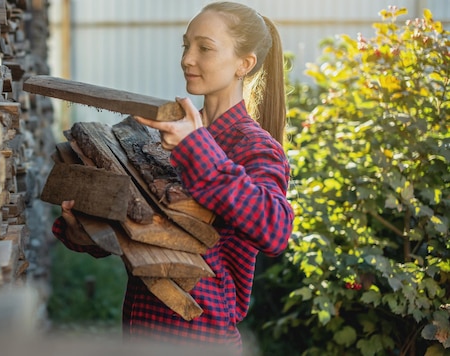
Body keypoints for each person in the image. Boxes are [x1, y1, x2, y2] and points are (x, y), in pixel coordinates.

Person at [52, 1, 294, 353]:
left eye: (205, 48)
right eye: (186, 45)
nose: (187, 59)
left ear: (245, 64)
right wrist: (83, 231)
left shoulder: (253, 146)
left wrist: (196, 146)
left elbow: (275, 229)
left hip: (200, 339)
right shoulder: (167, 135)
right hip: (141, 331)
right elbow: (142, 233)